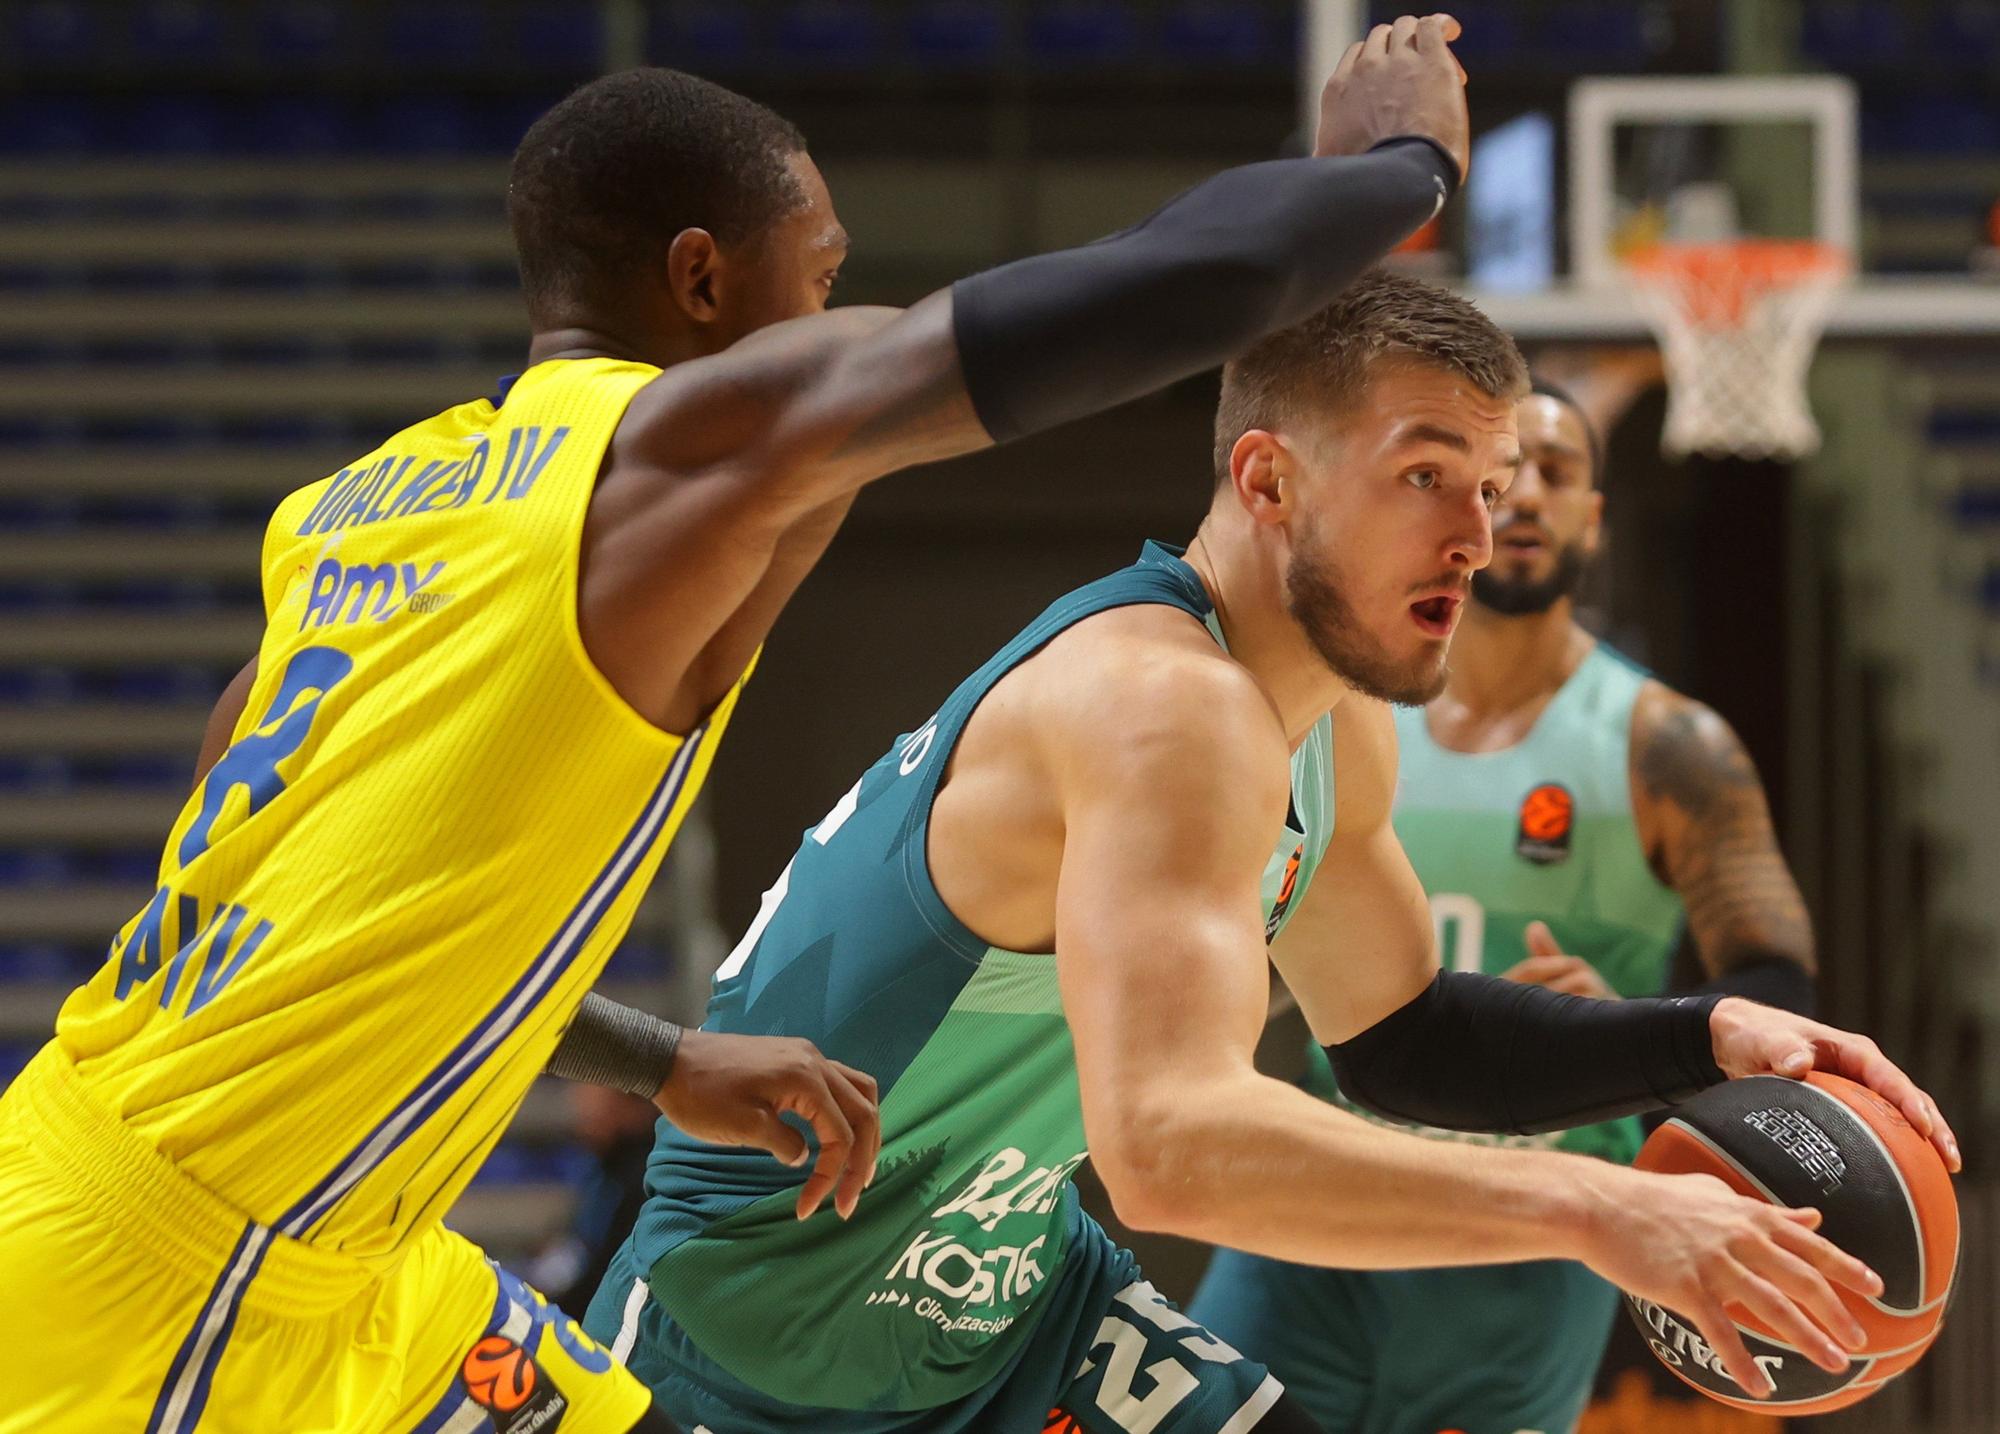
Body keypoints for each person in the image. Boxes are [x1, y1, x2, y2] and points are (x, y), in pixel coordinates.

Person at [0, 17, 1487, 1431]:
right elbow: (1110, 300)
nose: (840, 325)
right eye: (822, 275)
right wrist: (1388, 178)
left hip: (315, 1243)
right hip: (185, 1262)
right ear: (704, 283)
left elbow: (289, 900)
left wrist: (665, 1063)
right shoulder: (658, 459)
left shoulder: (359, 509)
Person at [569, 273, 1959, 1434]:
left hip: (1004, 1304)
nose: (1475, 535)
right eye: (1427, 474)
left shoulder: (1333, 721)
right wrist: (1604, 1209)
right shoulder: (1161, 702)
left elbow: (1405, 1040)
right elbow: (1167, 1147)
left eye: (1487, 486)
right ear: (1268, 476)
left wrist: (1707, 1034)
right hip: (747, 1336)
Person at [1186, 379, 1821, 1434]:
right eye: (1500, 473)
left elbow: (1776, 986)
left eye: (1556, 472)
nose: (1523, 497)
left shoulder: (1669, 745)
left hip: (1533, 1231)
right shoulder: (1338, 708)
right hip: (1331, 1188)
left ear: (1592, 518)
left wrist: (1623, 1022)